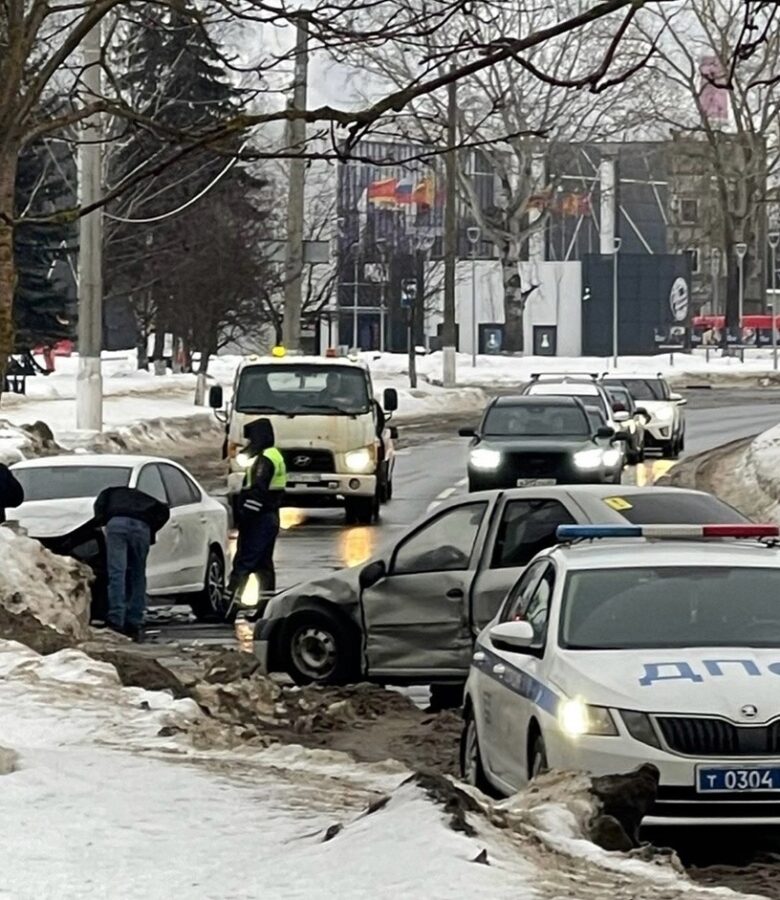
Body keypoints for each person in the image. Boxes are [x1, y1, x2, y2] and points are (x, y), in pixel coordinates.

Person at [225, 418, 287, 614]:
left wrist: (244, 516)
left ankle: (229, 608)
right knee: (263, 566)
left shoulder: (265, 459)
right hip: (269, 516)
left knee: (244, 562)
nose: (248, 445)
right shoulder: (274, 454)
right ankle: (265, 609)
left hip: (259, 519)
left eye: (251, 440)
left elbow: (258, 491)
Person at [93, 485, 170, 641]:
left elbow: (98, 511)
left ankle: (116, 620)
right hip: (142, 527)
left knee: (117, 573)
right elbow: (164, 512)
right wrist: (152, 529)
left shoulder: (107, 493)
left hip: (117, 524)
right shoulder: (145, 499)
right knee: (138, 574)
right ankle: (135, 619)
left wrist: (101, 522)